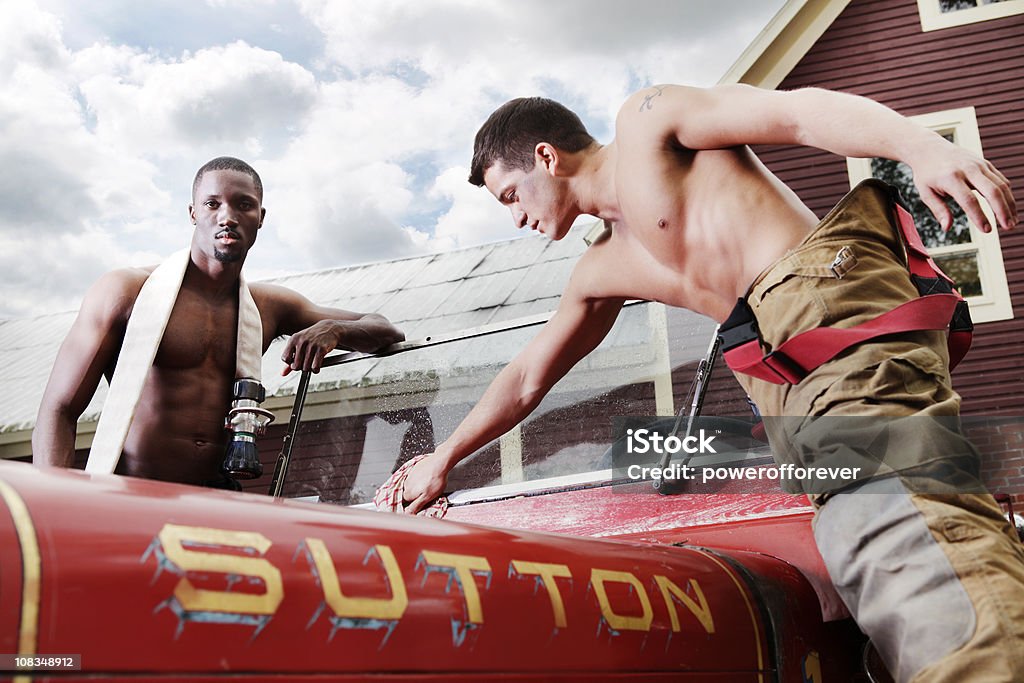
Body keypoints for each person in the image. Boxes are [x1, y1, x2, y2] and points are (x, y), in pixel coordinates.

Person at [399, 86, 1024, 681]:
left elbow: (797, 114)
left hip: (824, 311)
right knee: (860, 544)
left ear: (546, 157)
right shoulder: (604, 267)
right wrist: (444, 458)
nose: (515, 219)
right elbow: (527, 377)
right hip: (783, 379)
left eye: (510, 195)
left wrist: (924, 148)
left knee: (895, 515)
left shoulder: (647, 122)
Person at [33, 156, 404, 487]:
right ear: (193, 213)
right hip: (132, 491)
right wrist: (54, 505)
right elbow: (59, 409)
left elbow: (385, 330)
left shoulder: (270, 306)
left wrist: (334, 329)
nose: (227, 217)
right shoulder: (126, 291)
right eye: (213, 204)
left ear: (260, 216)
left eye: (244, 205)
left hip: (218, 495)